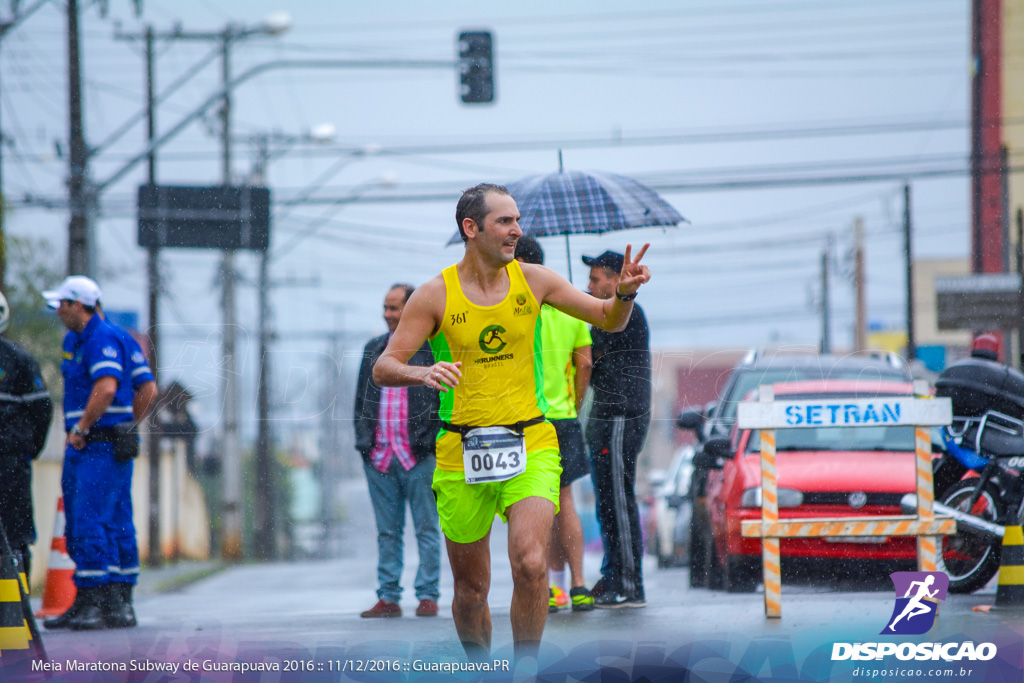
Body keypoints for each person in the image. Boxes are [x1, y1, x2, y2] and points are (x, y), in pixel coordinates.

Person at [373, 183, 650, 660]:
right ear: (471, 228)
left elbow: (608, 319)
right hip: (460, 451)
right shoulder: (434, 295)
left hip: (532, 442)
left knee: (530, 562)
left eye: (517, 220)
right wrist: (422, 371)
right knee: (471, 590)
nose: (517, 230)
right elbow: (384, 367)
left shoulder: (536, 280)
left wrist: (623, 295)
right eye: (505, 221)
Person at [41, 276, 138, 631]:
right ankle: (106, 601)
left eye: (62, 305)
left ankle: (97, 601)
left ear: (78, 304)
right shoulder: (78, 340)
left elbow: (108, 387)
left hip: (96, 442)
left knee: (90, 520)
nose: (58, 311)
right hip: (91, 442)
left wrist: (87, 426)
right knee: (103, 520)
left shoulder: (102, 338)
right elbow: (145, 386)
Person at [513, 236, 595, 613]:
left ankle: (547, 587)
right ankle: (579, 584)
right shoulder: (570, 309)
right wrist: (571, 404)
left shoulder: (513, 308)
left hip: (523, 418)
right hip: (562, 417)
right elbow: (585, 365)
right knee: (565, 503)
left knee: (529, 507)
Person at [354, 284, 441, 619]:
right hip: (379, 458)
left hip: (419, 457)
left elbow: (439, 403)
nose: (389, 314)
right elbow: (360, 402)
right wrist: (364, 442)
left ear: (412, 310)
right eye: (386, 308)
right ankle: (388, 597)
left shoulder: (430, 350)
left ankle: (428, 595)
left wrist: (428, 442)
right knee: (387, 531)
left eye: (395, 308)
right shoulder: (373, 349)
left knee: (426, 528)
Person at [582, 250, 652, 609]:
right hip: (604, 417)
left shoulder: (625, 315)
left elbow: (589, 356)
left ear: (614, 279)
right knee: (606, 500)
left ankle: (628, 583)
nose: (589, 286)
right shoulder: (600, 316)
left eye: (595, 279)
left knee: (619, 500)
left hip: (621, 414)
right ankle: (612, 573)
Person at [0, 291, 54, 582]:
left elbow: (41, 410)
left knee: (15, 535)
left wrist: (26, 450)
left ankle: (15, 605)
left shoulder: (18, 360)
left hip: (10, 462)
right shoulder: (21, 359)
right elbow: (42, 413)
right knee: (15, 534)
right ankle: (17, 605)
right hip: (12, 461)